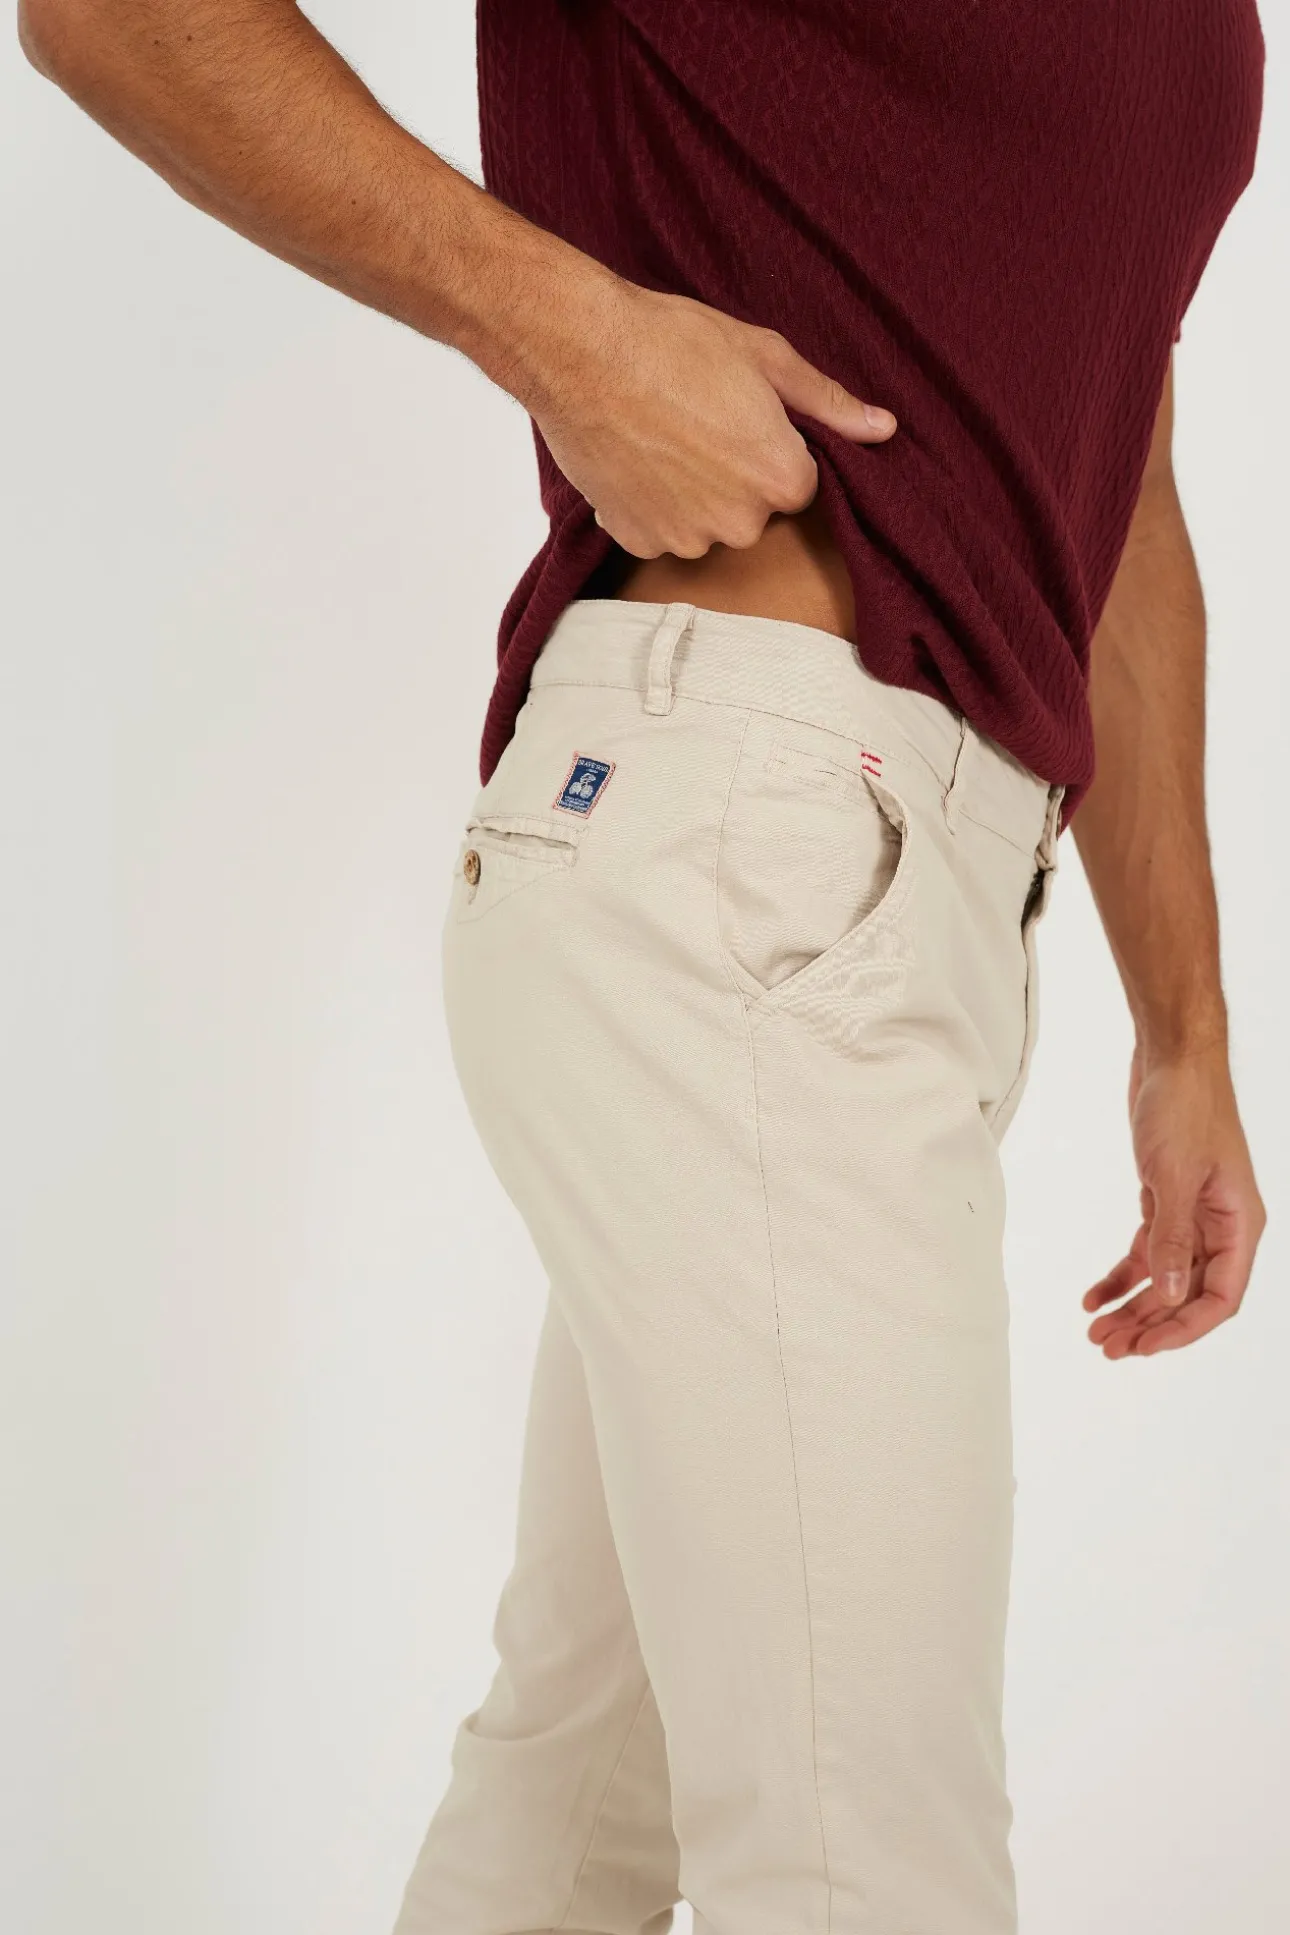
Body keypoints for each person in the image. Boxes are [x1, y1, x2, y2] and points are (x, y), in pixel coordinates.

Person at [18, 2, 1269, 1929]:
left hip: (878, 898)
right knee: (869, 1867)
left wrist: (1182, 1029)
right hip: (744, 849)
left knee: (579, 1808)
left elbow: (1114, 467)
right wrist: (570, 334)